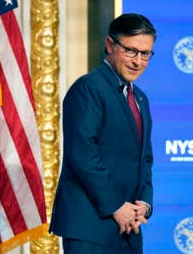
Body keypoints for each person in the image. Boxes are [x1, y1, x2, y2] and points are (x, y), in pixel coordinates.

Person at [49, 13, 156, 254]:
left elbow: (145, 159)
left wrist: (144, 204)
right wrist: (117, 206)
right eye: (130, 51)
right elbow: (83, 154)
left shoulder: (140, 98)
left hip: (129, 228)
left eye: (145, 54)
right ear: (110, 45)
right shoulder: (89, 88)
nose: (137, 61)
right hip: (91, 227)